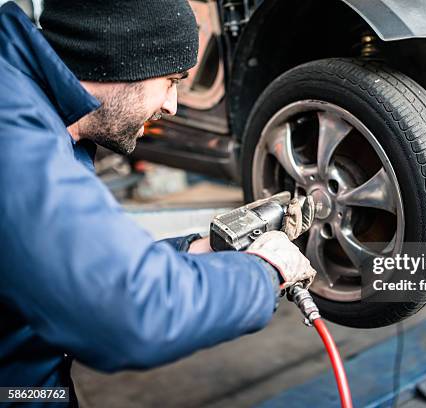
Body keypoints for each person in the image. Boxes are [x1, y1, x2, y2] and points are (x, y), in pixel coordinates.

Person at [0, 0, 316, 405]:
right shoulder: (14, 137)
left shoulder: (41, 110)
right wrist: (262, 272)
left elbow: (74, 271)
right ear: (119, 59)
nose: (172, 106)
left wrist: (194, 252)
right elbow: (127, 314)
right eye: (171, 80)